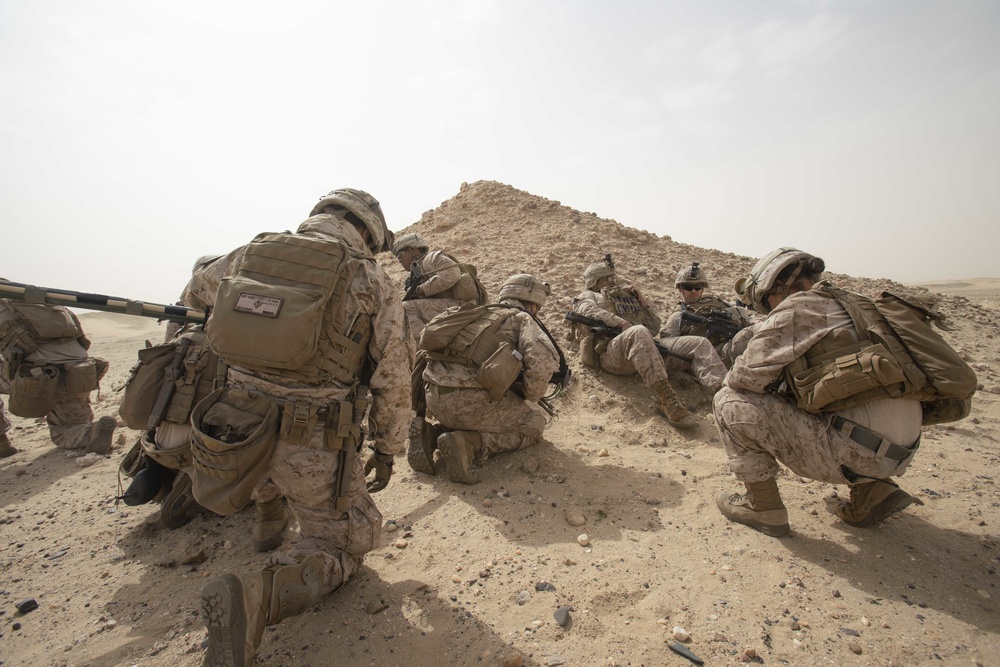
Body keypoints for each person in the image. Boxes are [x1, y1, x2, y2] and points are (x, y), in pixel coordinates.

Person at [194, 188, 410, 666]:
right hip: (309, 437)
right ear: (369, 232)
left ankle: (268, 514)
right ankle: (255, 603)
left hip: (233, 429)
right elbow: (392, 377)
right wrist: (389, 446)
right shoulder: (372, 280)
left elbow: (200, 287)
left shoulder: (252, 250)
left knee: (268, 476)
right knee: (347, 541)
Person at [714, 248, 925, 537]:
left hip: (858, 452)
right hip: (902, 451)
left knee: (727, 400)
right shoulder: (858, 305)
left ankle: (763, 506)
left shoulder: (799, 307)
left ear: (778, 290)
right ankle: (873, 490)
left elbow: (742, 379)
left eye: (766, 303)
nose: (768, 312)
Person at [420, 274, 560, 484]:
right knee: (535, 425)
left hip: (433, 396)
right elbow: (542, 362)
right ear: (533, 304)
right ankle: (469, 444)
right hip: (471, 402)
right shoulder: (520, 318)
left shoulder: (472, 312)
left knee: (480, 412)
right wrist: (532, 395)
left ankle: (431, 434)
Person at [569, 259, 696, 426]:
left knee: (696, 343)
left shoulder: (623, 297)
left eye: (614, 278)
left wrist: (641, 302)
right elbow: (586, 310)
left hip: (640, 349)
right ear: (594, 282)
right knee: (638, 331)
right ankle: (668, 401)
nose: (613, 282)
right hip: (611, 354)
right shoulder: (589, 295)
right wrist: (621, 323)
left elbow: (654, 327)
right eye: (608, 279)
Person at [0, 296, 116, 455]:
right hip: (80, 372)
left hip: (40, 377)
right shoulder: (45, 300)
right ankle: (92, 431)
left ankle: (1, 442)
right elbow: (84, 342)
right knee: (70, 426)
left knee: (60, 435)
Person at [392, 233, 485, 343]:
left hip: (461, 305)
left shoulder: (430, 259)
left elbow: (452, 273)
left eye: (401, 256)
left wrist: (420, 290)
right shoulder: (417, 270)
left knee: (405, 309)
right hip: (449, 305)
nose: (400, 260)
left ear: (415, 250)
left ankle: (424, 347)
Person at [660, 262, 755, 368]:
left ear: (703, 287)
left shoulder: (717, 303)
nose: (693, 291)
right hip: (711, 357)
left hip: (730, 343)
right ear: (680, 289)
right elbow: (669, 348)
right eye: (688, 287)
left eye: (697, 286)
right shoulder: (678, 317)